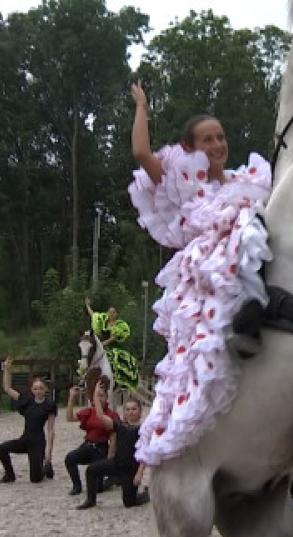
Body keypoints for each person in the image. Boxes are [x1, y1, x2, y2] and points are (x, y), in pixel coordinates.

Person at [128, 82, 273, 467]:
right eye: (207, 140)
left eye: (221, 137)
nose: (217, 145)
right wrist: (142, 106)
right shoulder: (184, 182)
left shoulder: (248, 180)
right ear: (190, 149)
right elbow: (142, 152)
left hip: (249, 257)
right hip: (208, 270)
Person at [77, 397, 150, 510]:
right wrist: (96, 392)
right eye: (128, 409)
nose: (131, 412)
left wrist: (139, 473)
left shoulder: (143, 430)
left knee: (129, 503)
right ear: (124, 412)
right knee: (91, 470)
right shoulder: (119, 426)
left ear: (140, 411)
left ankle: (146, 494)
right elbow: (101, 415)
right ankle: (91, 500)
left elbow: (145, 452)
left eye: (134, 409)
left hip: (130, 470)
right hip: (116, 463)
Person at [0, 357, 57, 484]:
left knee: (35, 479)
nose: (38, 391)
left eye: (40, 388)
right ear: (32, 390)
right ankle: (9, 474)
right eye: (35, 388)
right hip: (25, 439)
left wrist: (48, 454)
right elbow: (7, 388)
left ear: (45, 389)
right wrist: (7, 369)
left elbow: (50, 431)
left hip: (38, 443)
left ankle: (46, 468)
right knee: (2, 448)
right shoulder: (27, 400)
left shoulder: (49, 405)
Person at [64, 375, 118, 496]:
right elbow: (69, 418)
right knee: (70, 458)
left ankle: (111, 479)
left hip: (101, 448)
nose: (99, 399)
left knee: (98, 488)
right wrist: (71, 398)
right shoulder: (89, 411)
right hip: (87, 445)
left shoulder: (111, 414)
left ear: (106, 397)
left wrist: (109, 458)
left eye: (102, 396)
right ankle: (76, 486)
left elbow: (113, 438)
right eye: (97, 396)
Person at [85, 298, 139, 391]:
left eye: (113, 312)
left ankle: (119, 381)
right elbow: (93, 315)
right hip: (101, 347)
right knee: (88, 358)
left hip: (114, 348)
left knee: (114, 359)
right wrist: (87, 305)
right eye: (110, 312)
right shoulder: (103, 322)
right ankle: (85, 380)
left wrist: (102, 344)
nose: (111, 314)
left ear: (116, 314)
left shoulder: (120, 325)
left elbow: (112, 338)